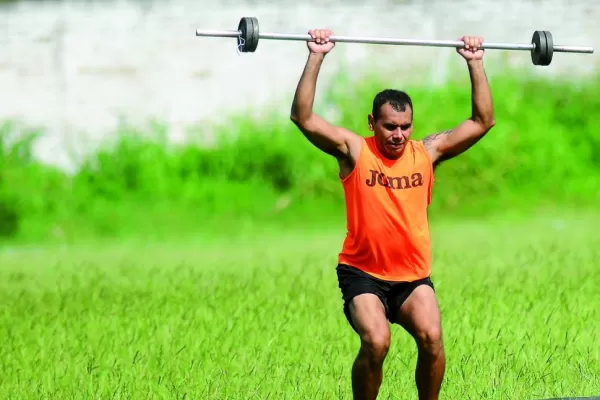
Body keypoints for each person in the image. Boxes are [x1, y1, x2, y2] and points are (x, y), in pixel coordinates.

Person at [290, 28, 495, 400]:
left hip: (412, 277)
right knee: (377, 341)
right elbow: (303, 117)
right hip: (363, 274)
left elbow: (482, 121)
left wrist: (475, 63)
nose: (398, 135)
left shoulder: (427, 152)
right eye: (389, 127)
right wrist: (316, 55)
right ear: (372, 123)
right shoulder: (354, 151)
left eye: (405, 127)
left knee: (432, 338)